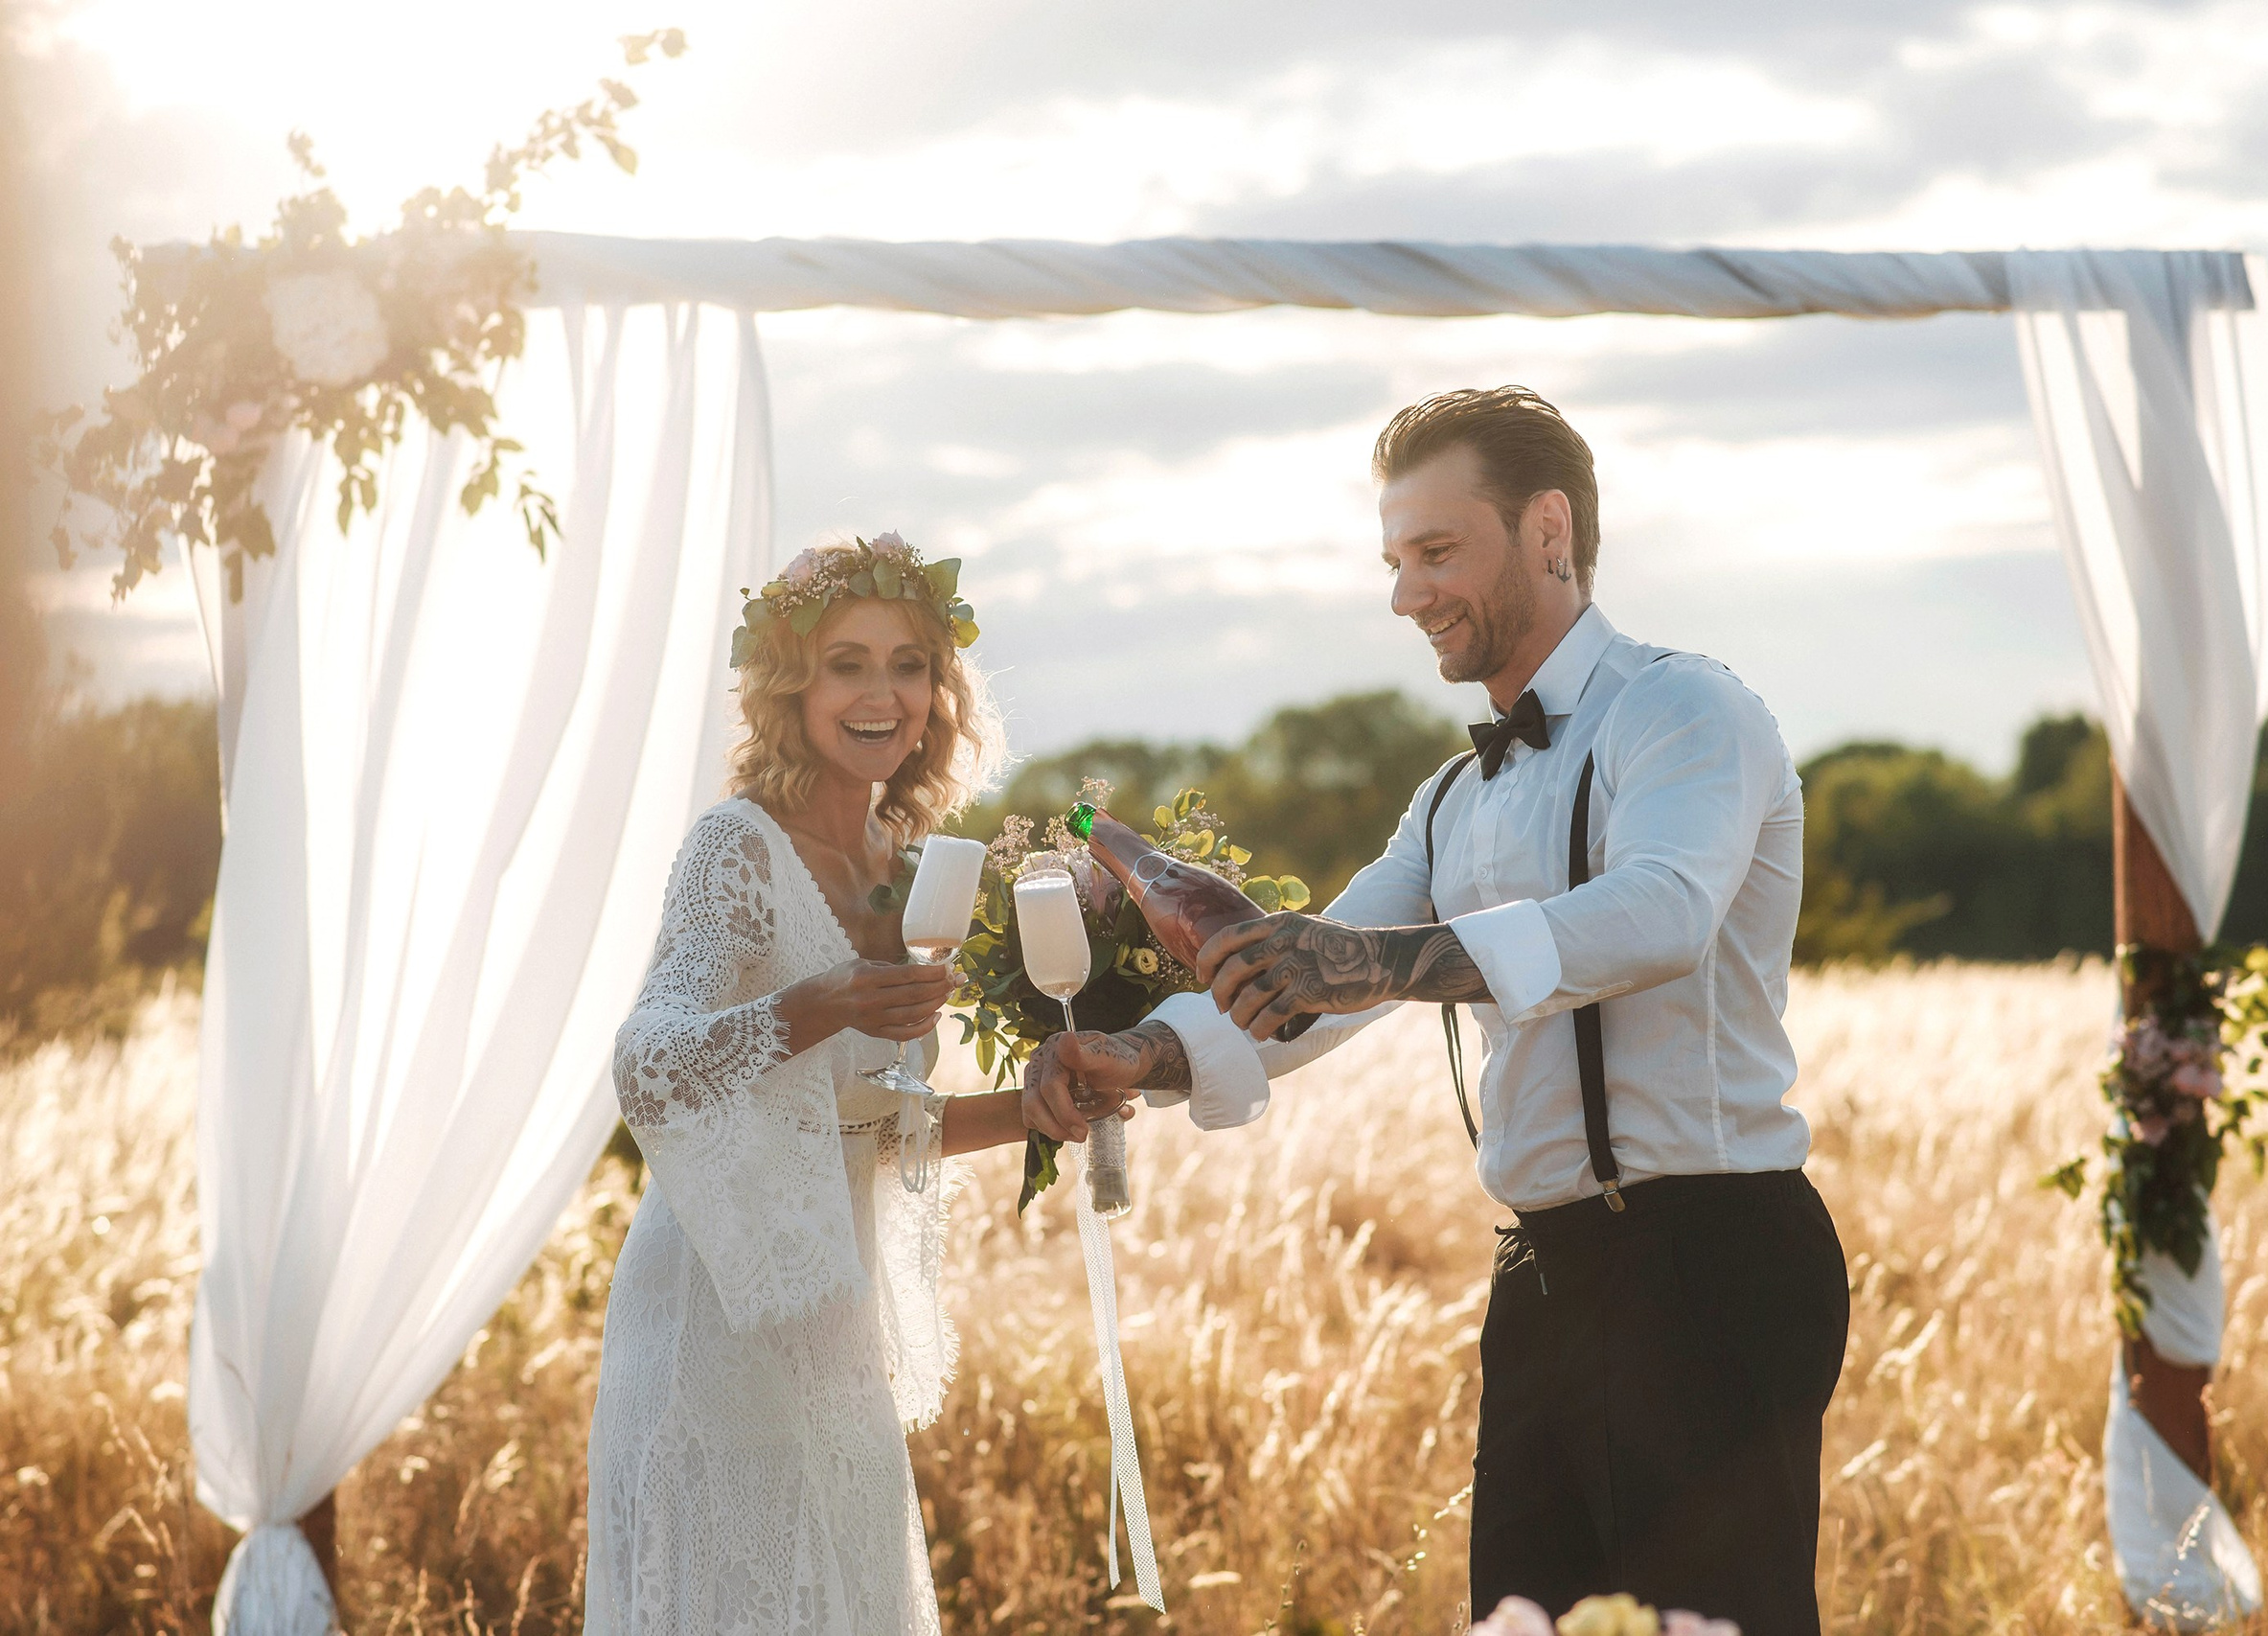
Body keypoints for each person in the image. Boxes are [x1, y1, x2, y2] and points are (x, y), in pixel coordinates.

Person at [1019, 389, 1850, 1635]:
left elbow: (1661, 914)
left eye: (1438, 550)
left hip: (1715, 1258)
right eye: (1396, 560)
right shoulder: (1453, 794)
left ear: (1551, 530)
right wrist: (1141, 1053)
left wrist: (1382, 958)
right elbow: (1314, 988)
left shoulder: (1688, 708)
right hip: (1542, 1277)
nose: (1407, 594)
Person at [586, 533, 1088, 1635]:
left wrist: (1035, 1110)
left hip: (833, 1310)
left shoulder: (907, 869)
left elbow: (871, 1129)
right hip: (715, 1304)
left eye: (909, 663)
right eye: (846, 663)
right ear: (789, 685)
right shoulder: (734, 850)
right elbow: (650, 1061)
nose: (883, 694)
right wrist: (822, 1006)